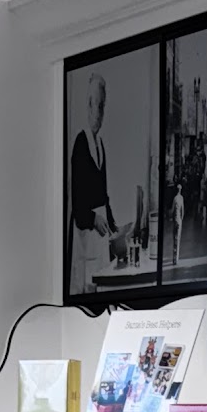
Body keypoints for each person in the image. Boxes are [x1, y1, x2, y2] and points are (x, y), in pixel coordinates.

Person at [69, 72, 116, 293]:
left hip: (100, 241)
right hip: (86, 238)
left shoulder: (100, 145)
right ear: (88, 105)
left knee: (101, 286)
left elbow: (103, 194)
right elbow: (78, 206)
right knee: (87, 288)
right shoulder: (81, 144)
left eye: (102, 106)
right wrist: (93, 218)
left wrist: (113, 225)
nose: (99, 112)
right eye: (96, 105)